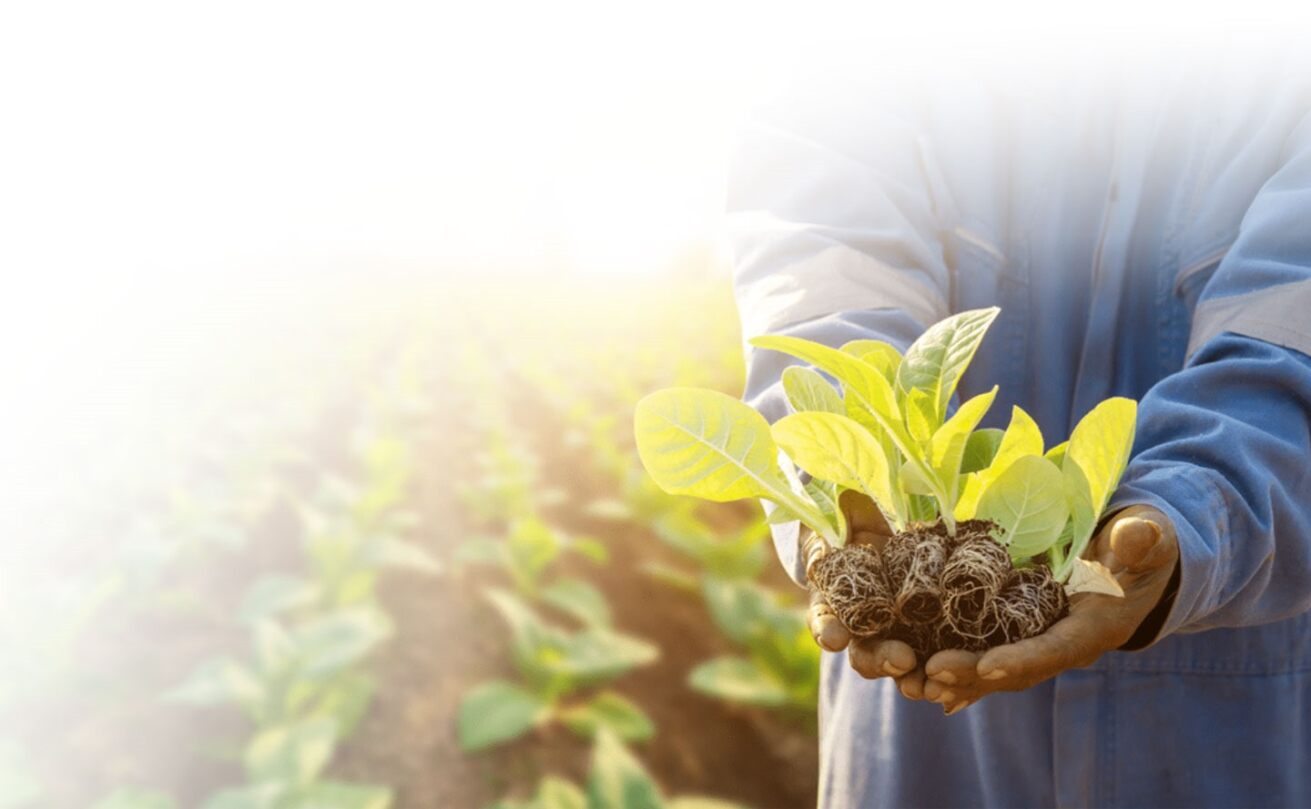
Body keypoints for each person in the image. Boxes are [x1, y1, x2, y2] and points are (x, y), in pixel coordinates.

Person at [727, 51, 1311, 808]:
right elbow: (827, 288)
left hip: (1242, 717)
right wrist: (854, 483)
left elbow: (1286, 351)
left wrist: (1190, 517)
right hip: (926, 734)